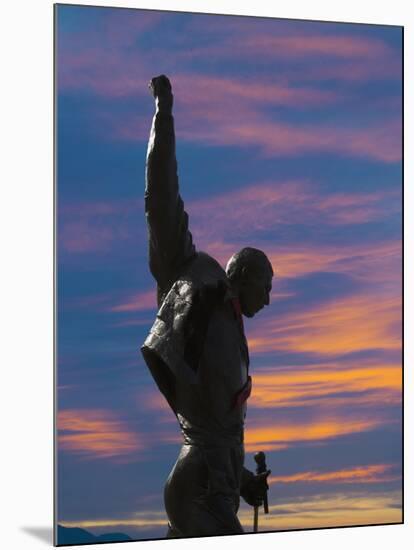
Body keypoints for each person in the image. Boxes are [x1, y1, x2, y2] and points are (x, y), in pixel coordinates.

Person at [141, 75, 273, 537]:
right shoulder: (195, 284)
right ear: (243, 274)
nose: (269, 298)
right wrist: (165, 116)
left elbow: (220, 430)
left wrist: (244, 484)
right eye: (267, 285)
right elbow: (162, 199)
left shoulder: (234, 339)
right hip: (193, 489)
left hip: (215, 489)